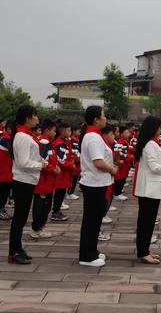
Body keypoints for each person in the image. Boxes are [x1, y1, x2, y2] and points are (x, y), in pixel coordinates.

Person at [8, 105, 48, 264]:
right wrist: (41, 165)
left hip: (27, 180)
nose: (37, 119)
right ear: (27, 118)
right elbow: (23, 162)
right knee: (19, 218)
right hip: (23, 180)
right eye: (35, 116)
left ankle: (17, 248)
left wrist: (40, 161)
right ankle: (14, 251)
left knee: (21, 217)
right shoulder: (23, 137)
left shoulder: (25, 135)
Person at [78, 106, 117, 267]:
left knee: (93, 220)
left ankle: (91, 250)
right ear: (96, 119)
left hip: (96, 182)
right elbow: (98, 162)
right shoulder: (93, 137)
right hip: (94, 183)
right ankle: (87, 256)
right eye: (103, 115)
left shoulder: (94, 135)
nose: (105, 118)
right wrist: (112, 169)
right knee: (91, 221)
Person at [133, 116, 161, 264]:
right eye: (158, 127)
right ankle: (143, 252)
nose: (160, 130)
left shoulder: (152, 144)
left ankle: (145, 250)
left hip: (152, 187)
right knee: (146, 222)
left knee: (148, 221)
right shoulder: (150, 144)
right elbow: (153, 166)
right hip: (149, 189)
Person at [31, 119, 60, 239]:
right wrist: (52, 169)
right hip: (43, 182)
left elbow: (50, 159)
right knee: (41, 206)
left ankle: (40, 226)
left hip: (48, 181)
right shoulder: (43, 143)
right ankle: (36, 229)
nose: (55, 133)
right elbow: (41, 160)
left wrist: (56, 167)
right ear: (47, 130)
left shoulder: (48, 142)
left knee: (46, 205)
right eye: (53, 131)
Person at [51, 122, 74, 221]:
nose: (70, 132)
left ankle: (57, 210)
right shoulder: (60, 143)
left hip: (64, 174)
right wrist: (71, 165)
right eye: (68, 131)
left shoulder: (64, 141)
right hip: (62, 174)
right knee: (59, 194)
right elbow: (61, 160)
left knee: (61, 193)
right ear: (62, 131)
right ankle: (55, 212)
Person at [0, 121, 14, 220]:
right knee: (2, 194)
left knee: (5, 193)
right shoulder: (5, 140)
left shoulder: (7, 139)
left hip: (6, 172)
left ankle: (2, 209)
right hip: (3, 173)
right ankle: (1, 210)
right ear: (9, 130)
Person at [66, 125, 81, 200]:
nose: (80, 133)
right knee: (73, 178)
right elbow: (75, 152)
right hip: (75, 162)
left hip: (77, 162)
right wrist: (78, 159)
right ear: (74, 131)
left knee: (75, 178)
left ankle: (71, 192)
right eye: (79, 131)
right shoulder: (73, 140)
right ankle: (69, 193)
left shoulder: (75, 139)